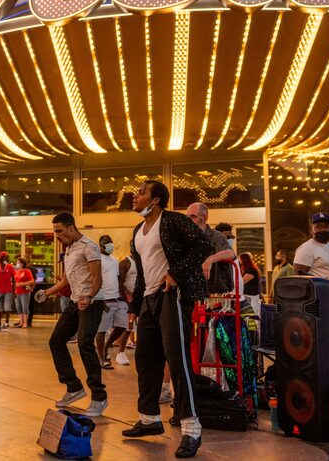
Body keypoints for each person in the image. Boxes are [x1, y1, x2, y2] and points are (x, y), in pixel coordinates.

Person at [121, 181, 211, 459]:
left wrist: (176, 274)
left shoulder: (173, 221)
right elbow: (142, 272)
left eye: (141, 192)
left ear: (156, 199)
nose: (135, 196)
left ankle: (191, 428)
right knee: (146, 359)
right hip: (149, 298)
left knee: (178, 359)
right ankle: (149, 418)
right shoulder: (138, 231)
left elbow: (203, 245)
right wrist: (135, 306)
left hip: (172, 296)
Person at [36, 212, 106, 417]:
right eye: (55, 231)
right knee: (56, 341)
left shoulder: (89, 246)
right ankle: (73, 387)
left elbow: (97, 279)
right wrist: (46, 292)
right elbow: (66, 280)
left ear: (71, 227)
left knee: (85, 343)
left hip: (92, 302)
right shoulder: (69, 249)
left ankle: (99, 397)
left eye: (59, 231)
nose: (57, 236)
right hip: (75, 302)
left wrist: (89, 297)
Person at [186, 203, 236, 293]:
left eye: (193, 216)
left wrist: (210, 259)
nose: (189, 220)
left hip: (215, 293)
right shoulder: (188, 238)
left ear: (204, 218)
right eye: (187, 217)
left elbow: (230, 253)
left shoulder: (216, 236)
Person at [94, 235, 127, 370]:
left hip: (117, 298)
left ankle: (106, 347)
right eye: (106, 243)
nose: (110, 245)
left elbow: (118, 279)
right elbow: (94, 279)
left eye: (111, 243)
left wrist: (123, 295)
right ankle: (101, 358)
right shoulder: (97, 260)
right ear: (101, 245)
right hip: (104, 299)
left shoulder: (114, 260)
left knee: (123, 325)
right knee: (101, 329)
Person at [115, 252, 138, 366]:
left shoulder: (141, 260)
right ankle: (120, 353)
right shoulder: (125, 262)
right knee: (128, 327)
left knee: (141, 326)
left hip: (140, 295)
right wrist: (126, 297)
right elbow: (120, 283)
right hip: (129, 298)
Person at [0, 251, 15, 331]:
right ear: (1, 259)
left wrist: (14, 291)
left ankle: (7, 322)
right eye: (6, 257)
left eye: (8, 258)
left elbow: (14, 280)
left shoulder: (10, 267)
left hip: (8, 291)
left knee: (7, 307)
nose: (7, 259)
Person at [13, 257, 34, 328]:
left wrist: (23, 284)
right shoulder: (16, 271)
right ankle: (21, 322)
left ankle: (25, 323)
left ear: (22, 264)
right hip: (17, 292)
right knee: (18, 307)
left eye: (18, 262)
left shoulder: (27, 271)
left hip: (25, 292)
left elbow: (32, 281)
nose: (17, 264)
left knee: (25, 307)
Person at [239, 252, 262, 317]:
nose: (239, 261)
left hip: (251, 296)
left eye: (240, 259)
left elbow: (242, 282)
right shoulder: (245, 270)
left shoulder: (251, 270)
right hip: (246, 296)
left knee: (251, 316)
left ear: (244, 260)